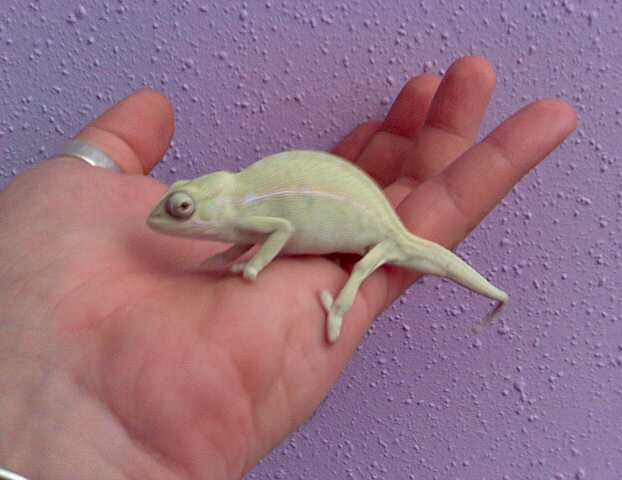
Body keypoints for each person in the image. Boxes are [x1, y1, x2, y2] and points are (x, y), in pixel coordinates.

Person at [0, 56, 576, 480]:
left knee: (365, 273)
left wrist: (252, 268)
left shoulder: (241, 212)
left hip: (374, 231)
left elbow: (274, 229)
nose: (173, 219)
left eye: (184, 209)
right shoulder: (232, 209)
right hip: (346, 217)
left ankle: (365, 306)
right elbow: (254, 232)